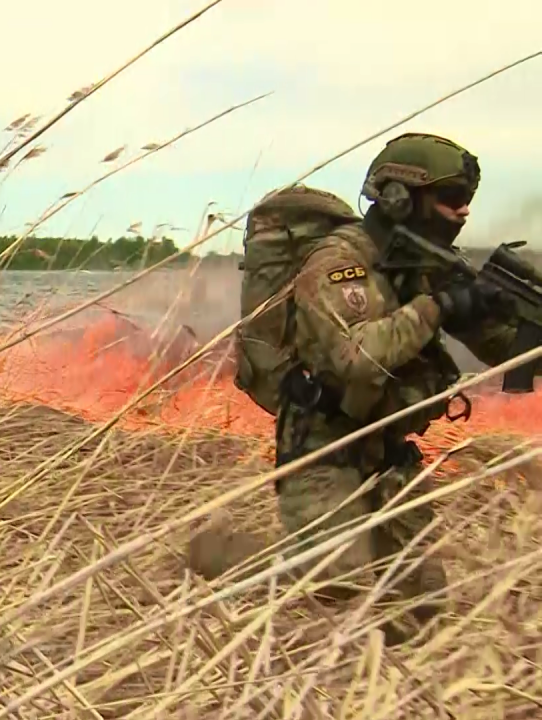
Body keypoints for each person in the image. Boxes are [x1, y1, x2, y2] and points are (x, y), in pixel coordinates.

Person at [225, 132, 525, 644]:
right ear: (398, 197)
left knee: (422, 602)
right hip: (325, 447)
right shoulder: (339, 262)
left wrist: (506, 314)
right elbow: (358, 356)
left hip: (388, 452)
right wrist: (443, 308)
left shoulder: (427, 265)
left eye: (467, 202)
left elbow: (504, 349)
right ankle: (235, 561)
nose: (462, 214)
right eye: (450, 200)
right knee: (331, 590)